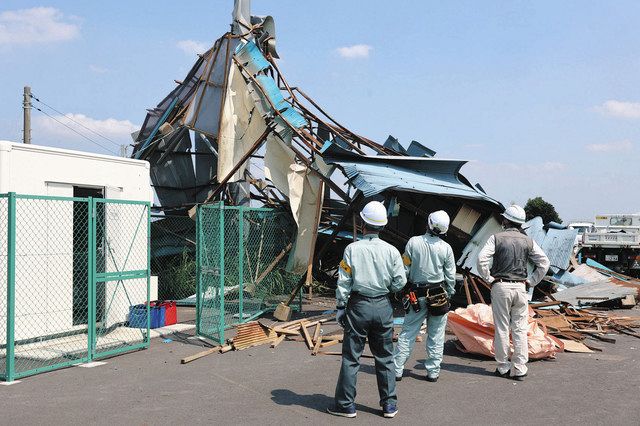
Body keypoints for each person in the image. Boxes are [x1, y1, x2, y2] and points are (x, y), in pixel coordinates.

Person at [327, 200, 407, 419]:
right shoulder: (392, 251)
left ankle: (346, 406)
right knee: (385, 357)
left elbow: (343, 281)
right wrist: (387, 287)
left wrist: (341, 306)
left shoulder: (352, 249)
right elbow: (400, 282)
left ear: (363, 223)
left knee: (352, 357)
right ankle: (389, 405)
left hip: (358, 306)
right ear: (382, 226)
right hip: (383, 306)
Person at [477, 204, 550, 381]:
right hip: (520, 288)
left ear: (506, 220)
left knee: (502, 327)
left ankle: (503, 367)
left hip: (501, 286)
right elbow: (544, 263)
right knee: (519, 328)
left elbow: (481, 260)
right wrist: (531, 281)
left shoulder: (496, 238)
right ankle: (519, 368)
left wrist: (488, 278)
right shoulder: (528, 241)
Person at [393, 210, 456, 382]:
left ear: (428, 223)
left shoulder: (414, 243)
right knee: (436, 335)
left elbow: (404, 268)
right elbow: (450, 277)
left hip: (416, 295)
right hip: (439, 295)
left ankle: (397, 369)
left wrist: (400, 288)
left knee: (408, 332)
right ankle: (433, 372)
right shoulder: (446, 248)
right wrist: (449, 294)